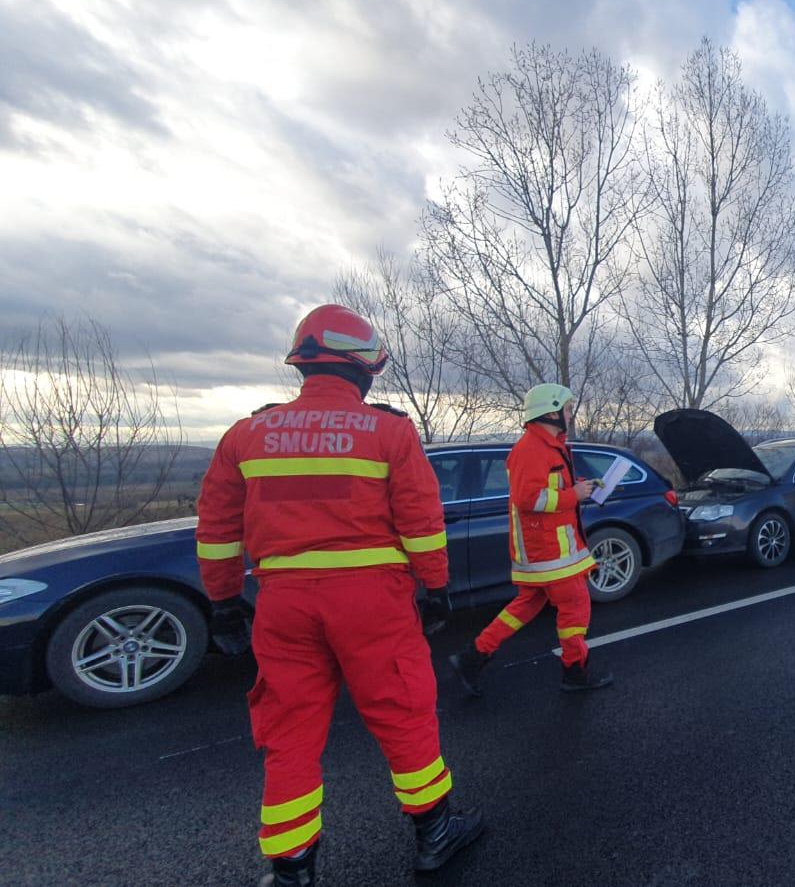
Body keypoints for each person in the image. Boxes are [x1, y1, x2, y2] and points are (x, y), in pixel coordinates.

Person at [196, 304, 483, 887]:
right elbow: (422, 522)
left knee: (290, 732)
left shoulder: (247, 433)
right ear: (364, 367)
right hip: (371, 601)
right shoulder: (389, 431)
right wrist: (435, 588)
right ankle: (435, 833)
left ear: (304, 363)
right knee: (402, 712)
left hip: (283, 602)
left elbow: (218, 529)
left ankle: (292, 868)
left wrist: (223, 602)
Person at [450, 383, 614, 697]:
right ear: (551, 412)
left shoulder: (548, 446)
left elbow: (549, 486)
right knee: (576, 606)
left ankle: (472, 657)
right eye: (566, 409)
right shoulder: (532, 449)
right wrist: (572, 495)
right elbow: (529, 499)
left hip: (548, 551)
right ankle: (574, 671)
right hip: (549, 552)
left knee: (526, 605)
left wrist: (582, 486)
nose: (569, 414)